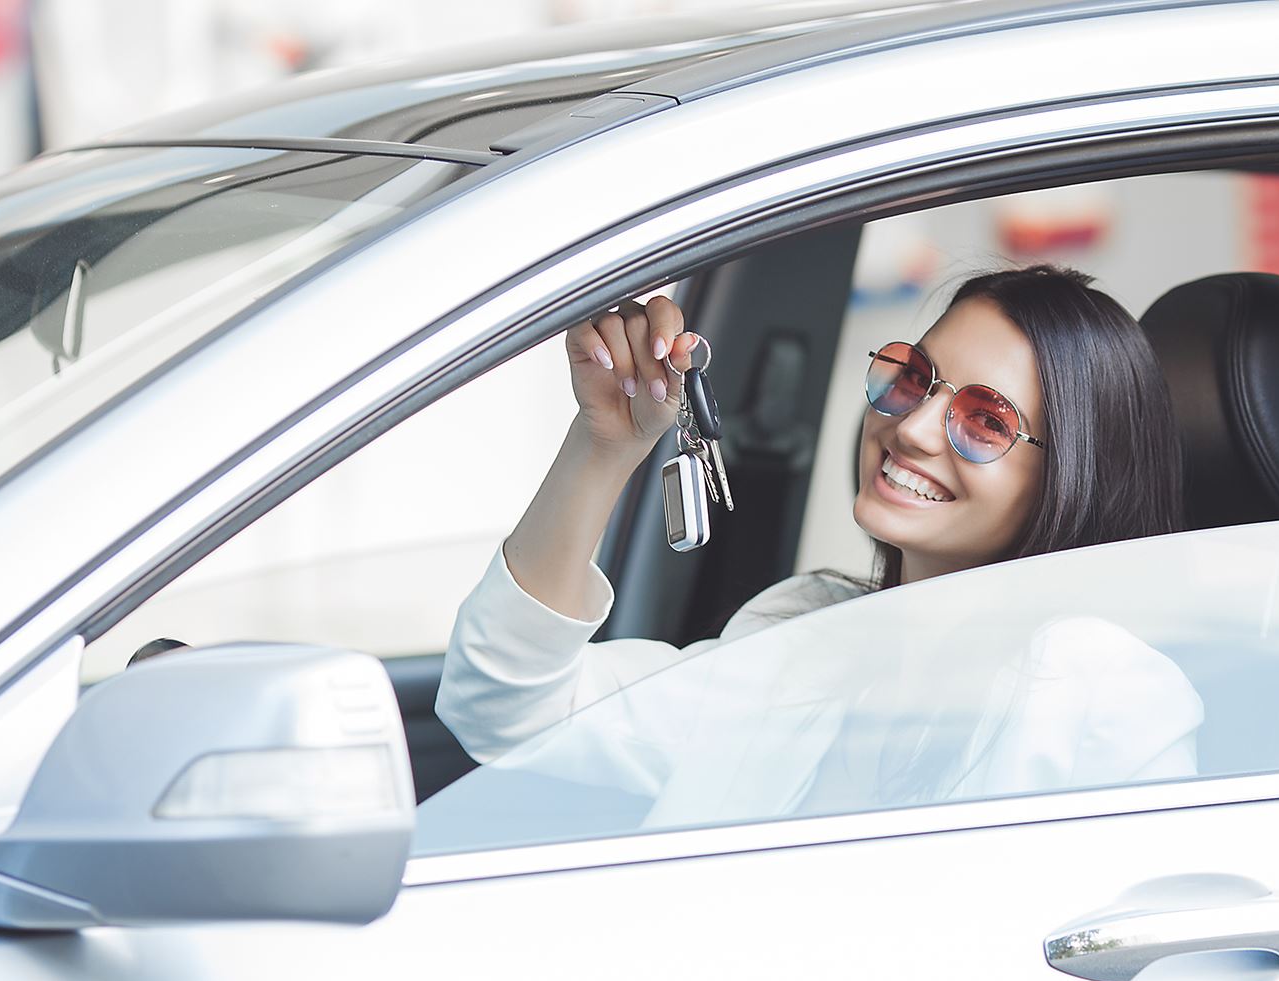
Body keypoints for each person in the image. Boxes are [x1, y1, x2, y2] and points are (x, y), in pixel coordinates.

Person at [433, 264, 1204, 817]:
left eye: (986, 421)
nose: (911, 426)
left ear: (1071, 476)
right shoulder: (805, 632)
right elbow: (505, 710)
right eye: (913, 378)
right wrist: (603, 446)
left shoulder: (1105, 691)